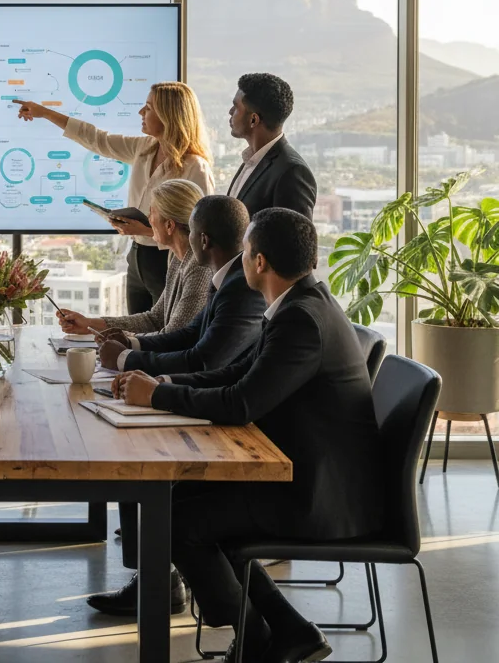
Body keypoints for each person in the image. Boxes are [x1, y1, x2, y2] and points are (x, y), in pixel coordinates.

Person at [108, 208, 384, 663]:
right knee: (178, 500)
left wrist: (158, 398)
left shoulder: (300, 320)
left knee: (177, 520)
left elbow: (240, 403)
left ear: (258, 262)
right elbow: (236, 372)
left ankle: (253, 632)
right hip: (310, 475)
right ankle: (284, 631)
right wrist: (160, 387)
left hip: (319, 497)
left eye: (247, 250)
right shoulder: (301, 303)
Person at [15, 82, 214, 313]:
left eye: (148, 108)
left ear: (169, 115)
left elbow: (199, 233)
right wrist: (45, 113)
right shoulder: (144, 148)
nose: (141, 112)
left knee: (164, 334)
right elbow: (96, 139)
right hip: (137, 258)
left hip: (168, 261)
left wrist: (145, 230)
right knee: (137, 331)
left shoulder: (195, 167)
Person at [94, 194, 265, 375]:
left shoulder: (242, 290)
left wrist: (125, 358)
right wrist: (131, 343)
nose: (187, 237)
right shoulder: (227, 277)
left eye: (191, 231)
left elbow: (203, 361)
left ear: (204, 241)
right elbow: (189, 334)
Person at [58, 178, 212, 337]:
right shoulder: (179, 259)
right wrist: (90, 324)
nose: (148, 218)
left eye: (152, 212)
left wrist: (125, 342)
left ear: (169, 226)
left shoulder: (199, 269)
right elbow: (155, 319)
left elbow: (174, 337)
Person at [227, 73, 317, 218]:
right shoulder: (252, 160)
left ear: (253, 120)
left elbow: (293, 239)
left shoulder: (292, 172)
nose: (230, 112)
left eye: (236, 107)